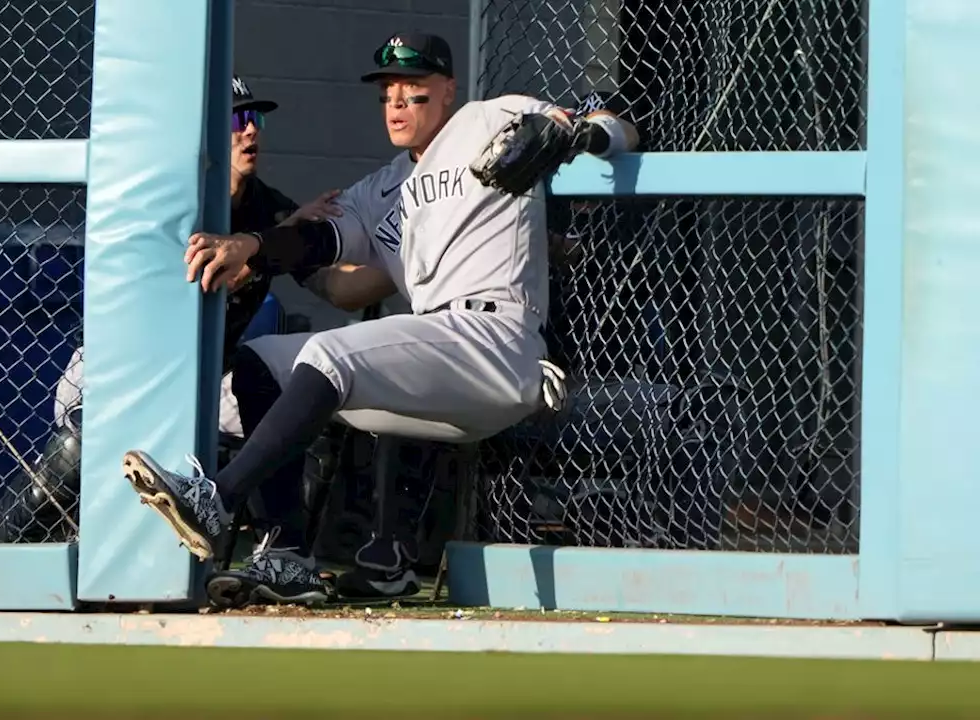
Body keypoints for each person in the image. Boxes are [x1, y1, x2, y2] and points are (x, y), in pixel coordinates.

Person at [121, 30, 641, 608]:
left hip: (497, 339)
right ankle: (288, 555)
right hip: (436, 351)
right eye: (387, 89)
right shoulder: (383, 187)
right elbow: (319, 246)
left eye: (413, 88)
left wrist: (578, 132)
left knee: (328, 353)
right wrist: (254, 244)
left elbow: (622, 130)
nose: (396, 101)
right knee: (265, 361)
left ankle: (215, 500)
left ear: (447, 89)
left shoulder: (494, 118)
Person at [0, 75, 343, 543]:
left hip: (211, 384)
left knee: (301, 420)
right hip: (123, 369)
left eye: (257, 119)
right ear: (205, 132)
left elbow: (328, 280)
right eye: (238, 120)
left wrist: (355, 244)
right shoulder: (172, 200)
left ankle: (281, 556)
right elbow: (191, 291)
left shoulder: (269, 208)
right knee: (85, 444)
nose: (251, 131)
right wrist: (277, 238)